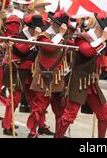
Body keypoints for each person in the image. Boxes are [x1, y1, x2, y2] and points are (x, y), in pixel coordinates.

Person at [26, 9, 71, 138]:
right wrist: (61, 34)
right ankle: (32, 132)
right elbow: (50, 47)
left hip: (58, 77)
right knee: (39, 106)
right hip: (44, 77)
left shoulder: (61, 37)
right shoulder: (43, 36)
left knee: (60, 108)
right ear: (56, 25)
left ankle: (59, 134)